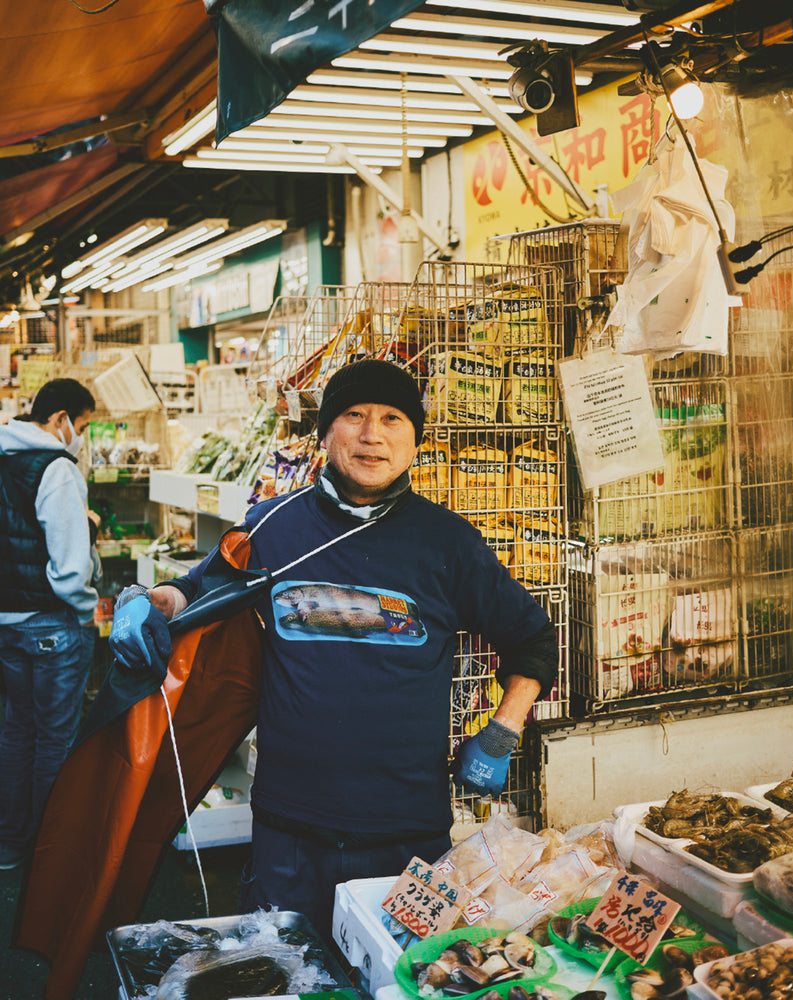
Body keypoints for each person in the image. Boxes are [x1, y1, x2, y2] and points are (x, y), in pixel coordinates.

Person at [109, 359, 558, 934]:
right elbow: (196, 590)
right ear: (325, 434)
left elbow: (534, 642)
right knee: (284, 977)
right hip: (288, 830)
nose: (372, 434)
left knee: (395, 980)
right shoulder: (272, 526)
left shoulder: (450, 544)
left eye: (393, 419)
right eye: (354, 415)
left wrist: (501, 733)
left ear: (414, 442)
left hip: (406, 831)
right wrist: (148, 599)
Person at [0, 377, 98, 870]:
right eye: (81, 426)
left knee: (16, 730)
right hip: (52, 626)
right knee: (55, 737)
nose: (80, 437)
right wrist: (86, 612)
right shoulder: (56, 469)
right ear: (61, 420)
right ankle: (50, 854)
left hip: (6, 624)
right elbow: (69, 569)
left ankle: (10, 844)